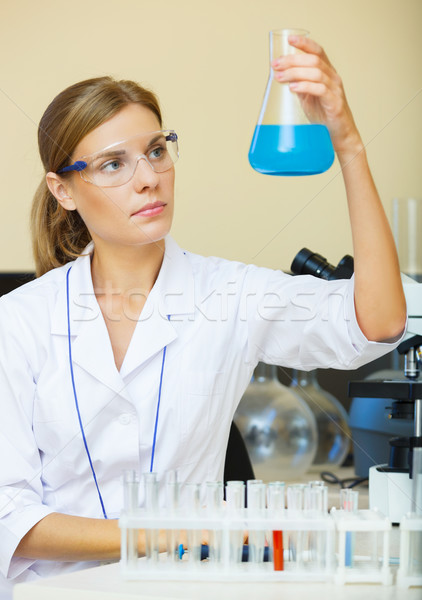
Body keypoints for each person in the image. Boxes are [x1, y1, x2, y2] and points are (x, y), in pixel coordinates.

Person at [0, 35, 406, 596]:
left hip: (186, 588)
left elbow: (377, 322)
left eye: (157, 150)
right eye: (114, 164)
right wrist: (156, 535)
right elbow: (8, 519)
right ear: (62, 190)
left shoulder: (232, 295)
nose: (148, 177)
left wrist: (349, 143)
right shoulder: (17, 321)